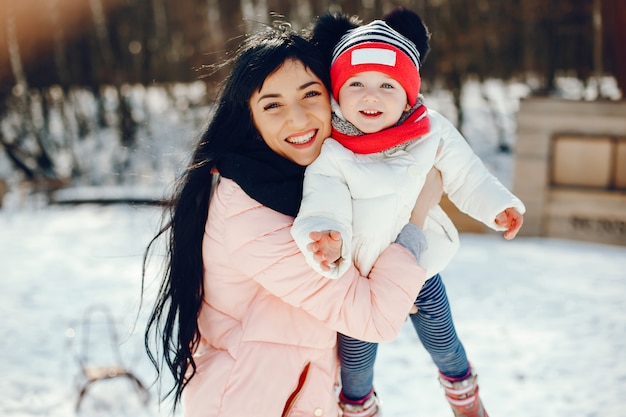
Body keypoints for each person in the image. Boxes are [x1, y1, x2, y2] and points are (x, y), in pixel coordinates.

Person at [142, 21, 445, 417]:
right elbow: (375, 316)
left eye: (311, 94)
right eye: (272, 105)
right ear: (249, 118)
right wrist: (417, 214)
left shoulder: (309, 184)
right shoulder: (254, 215)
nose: (299, 119)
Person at [290, 8, 526, 417]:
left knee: (443, 341)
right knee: (357, 364)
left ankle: (463, 395)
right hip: (361, 280)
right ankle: (359, 408)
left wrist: (498, 206)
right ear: (337, 91)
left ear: (408, 93)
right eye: (356, 83)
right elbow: (321, 198)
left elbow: (467, 174)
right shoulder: (332, 150)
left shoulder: (430, 130)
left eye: (387, 85)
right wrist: (325, 234)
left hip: (421, 267)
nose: (370, 96)